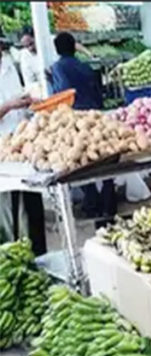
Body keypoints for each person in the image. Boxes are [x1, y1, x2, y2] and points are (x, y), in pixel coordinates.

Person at [51, 32, 115, 220]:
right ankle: (109, 202)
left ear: (57, 50)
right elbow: (98, 92)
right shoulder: (86, 66)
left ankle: (92, 203)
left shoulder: (58, 68)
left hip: (75, 120)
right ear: (74, 47)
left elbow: (61, 93)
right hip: (95, 117)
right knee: (105, 159)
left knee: (81, 162)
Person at [0, 39, 46, 254]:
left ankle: (39, 254)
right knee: (9, 211)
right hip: (3, 152)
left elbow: (19, 99)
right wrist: (8, 106)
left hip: (23, 145)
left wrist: (30, 105)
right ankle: (12, 255)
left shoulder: (10, 66)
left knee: (32, 204)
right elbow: (9, 104)